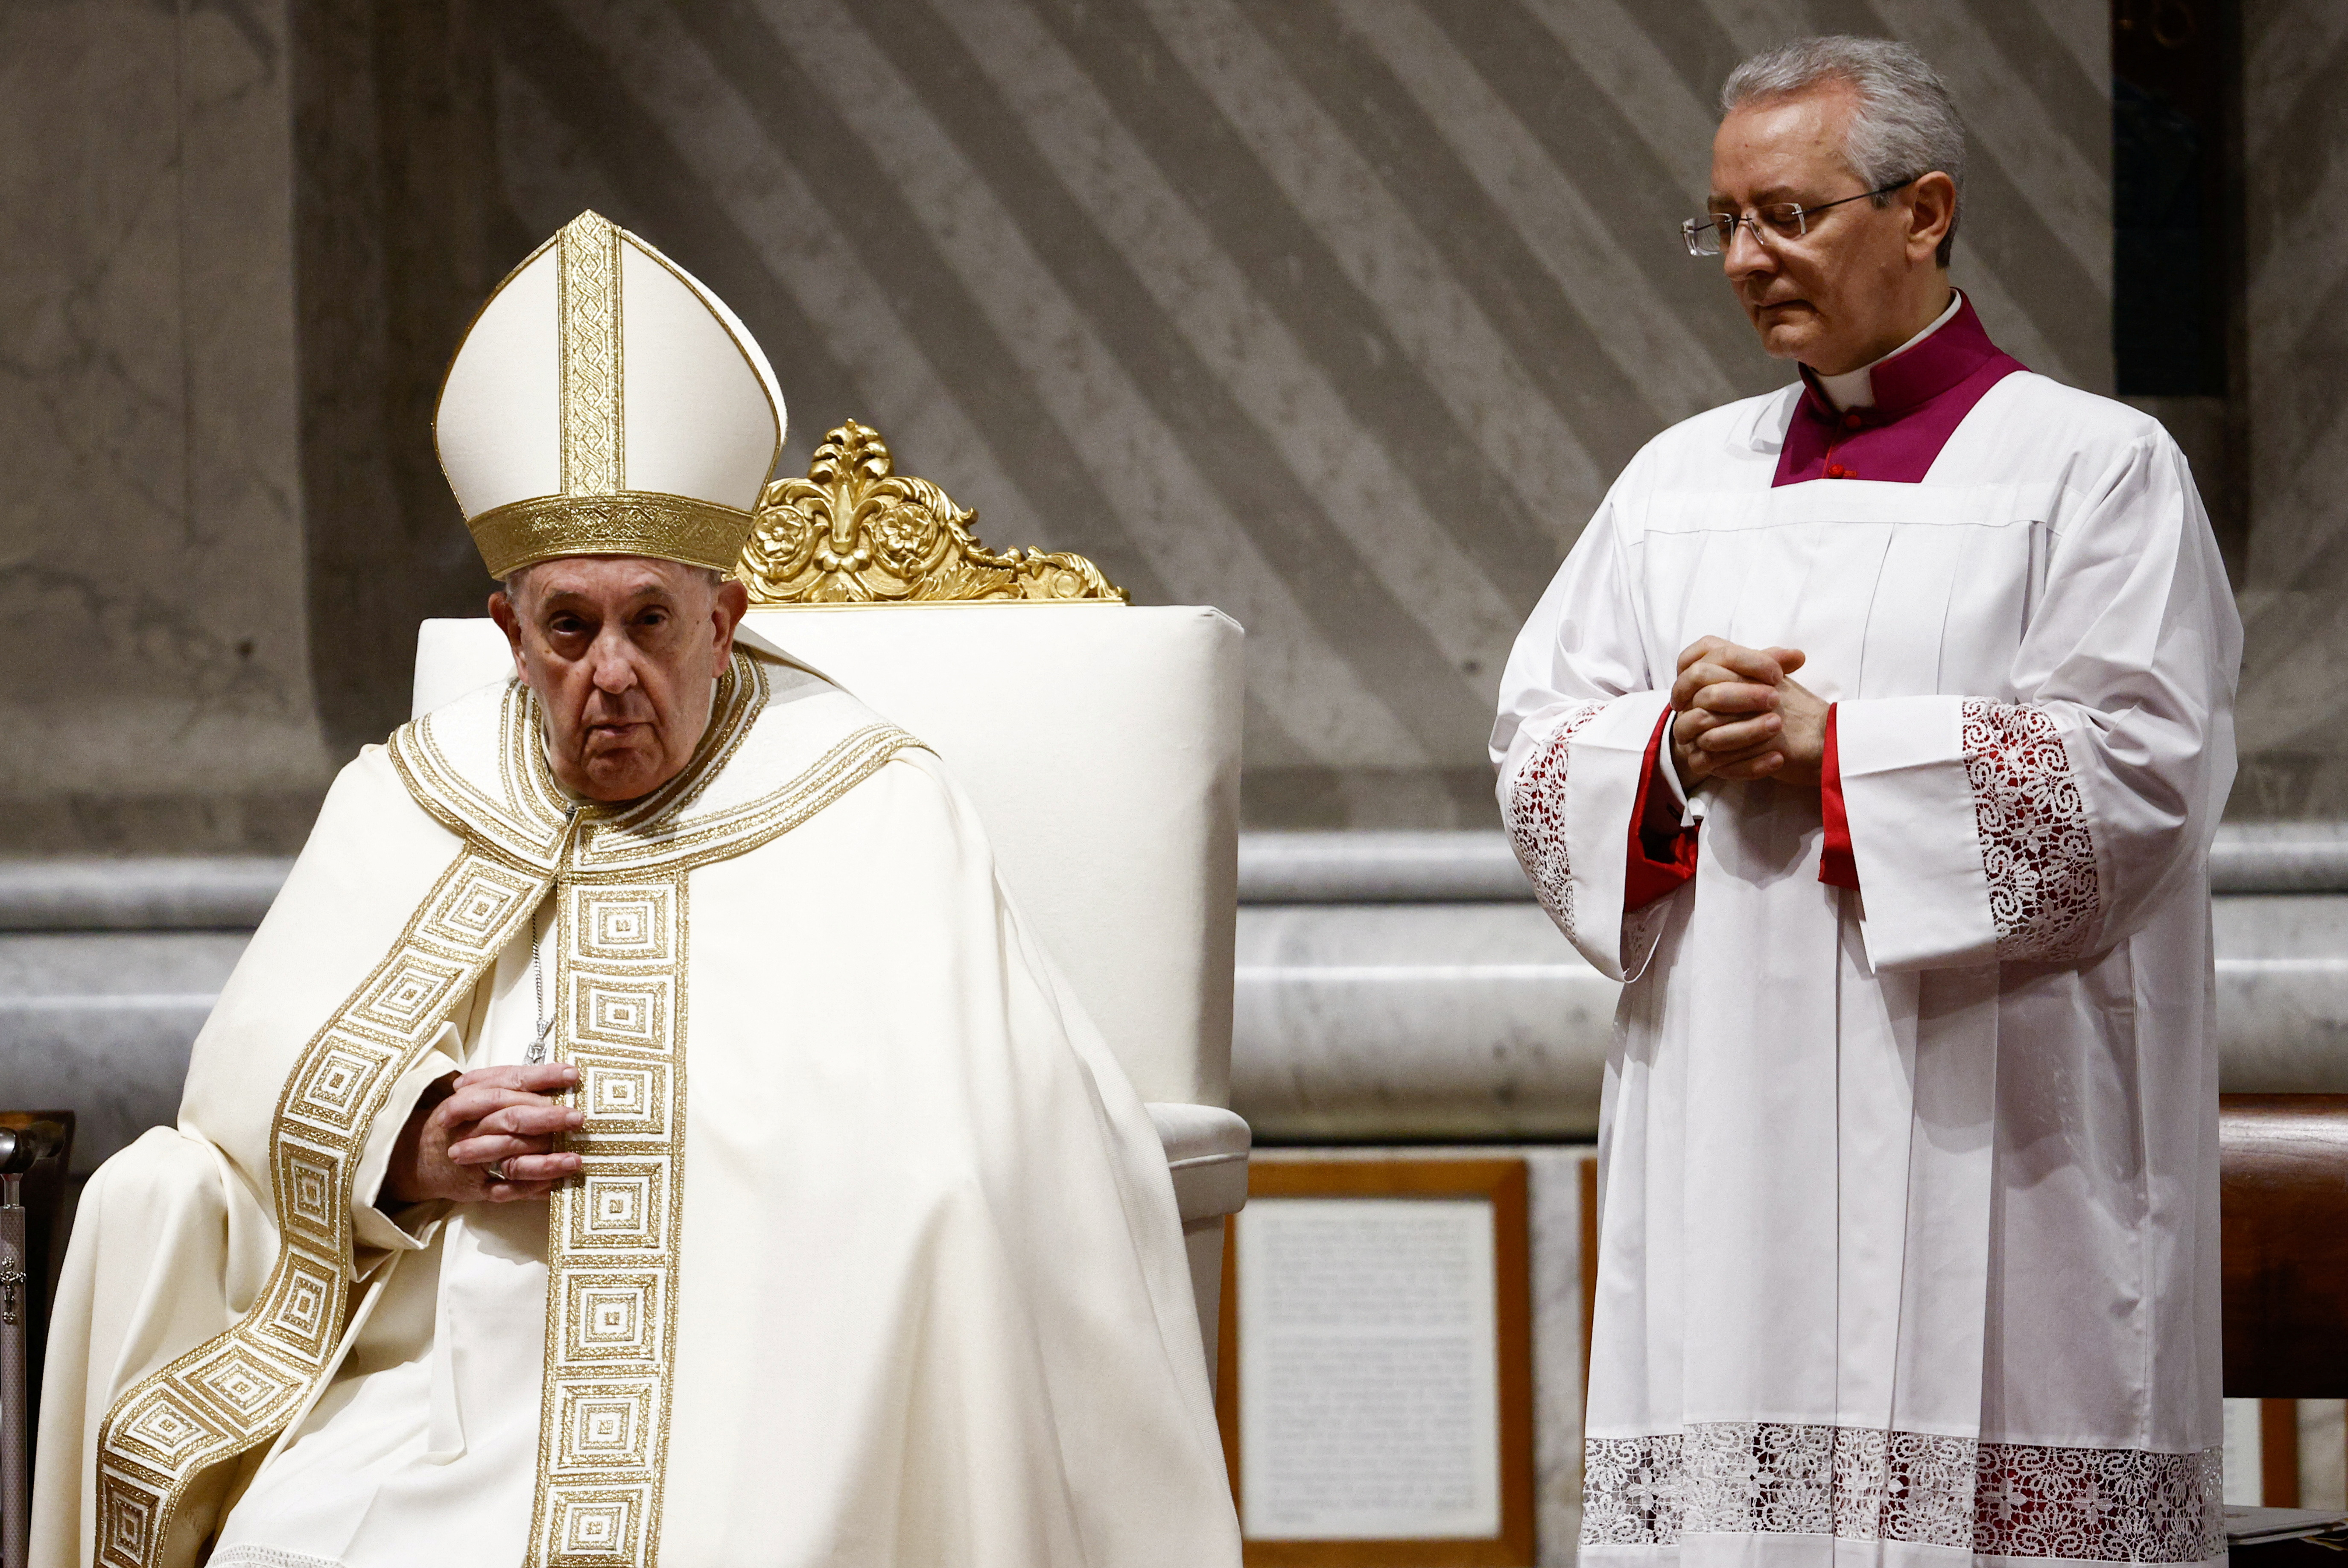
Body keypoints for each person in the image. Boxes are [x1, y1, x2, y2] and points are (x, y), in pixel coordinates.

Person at [34, 211, 1241, 1568]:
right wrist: (401, 1140)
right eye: (569, 627)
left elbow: (974, 1140)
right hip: (440, 1381)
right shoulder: (413, 790)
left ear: (723, 621)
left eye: (650, 622)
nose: (610, 671)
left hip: (770, 1391)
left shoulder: (869, 796)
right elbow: (245, 1073)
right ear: (508, 633)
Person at [1493, 37, 2238, 1568]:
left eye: (1786, 214)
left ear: (1923, 210)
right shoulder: (1672, 484)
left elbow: (2145, 766)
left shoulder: (2093, 470)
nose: (1747, 260)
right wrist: (1666, 749)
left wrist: (1838, 749)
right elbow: (1534, 743)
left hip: (1998, 1127)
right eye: (1722, 224)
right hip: (1731, 1116)